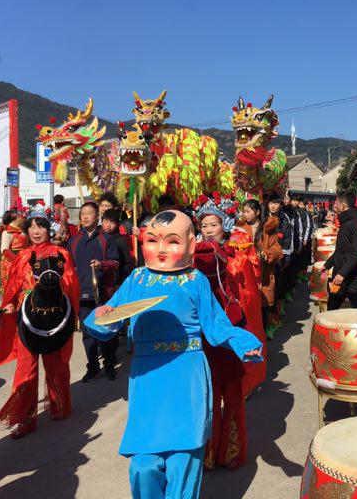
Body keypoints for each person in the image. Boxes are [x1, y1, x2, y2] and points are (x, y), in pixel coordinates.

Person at [85, 210, 262, 499]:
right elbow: (108, 322)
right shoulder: (136, 279)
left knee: (183, 462)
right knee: (143, 467)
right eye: (153, 240)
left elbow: (216, 326)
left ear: (191, 244)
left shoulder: (195, 280)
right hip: (147, 379)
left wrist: (244, 344)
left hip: (187, 376)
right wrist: (101, 317)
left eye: (172, 241)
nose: (161, 249)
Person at [0, 202, 80, 439]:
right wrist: (9, 303)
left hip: (52, 318)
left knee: (55, 366)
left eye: (40, 226)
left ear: (48, 229)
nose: (35, 231)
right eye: (31, 226)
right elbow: (13, 284)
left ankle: (59, 404)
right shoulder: (23, 256)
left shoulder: (60, 254)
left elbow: (70, 284)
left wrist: (69, 314)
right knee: (26, 370)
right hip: (26, 319)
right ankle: (25, 417)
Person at [193, 195, 263, 470]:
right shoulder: (193, 254)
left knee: (232, 395)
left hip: (230, 328)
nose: (209, 230)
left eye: (214, 224)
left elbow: (247, 290)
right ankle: (209, 453)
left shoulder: (237, 254)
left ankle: (232, 451)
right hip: (204, 333)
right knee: (208, 396)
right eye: (204, 225)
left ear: (224, 225)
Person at [67, 201, 120, 382]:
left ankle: (109, 365)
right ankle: (93, 366)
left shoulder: (106, 239)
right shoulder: (73, 242)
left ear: (97, 216)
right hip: (82, 294)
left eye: (89, 213)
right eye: (82, 214)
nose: (85, 217)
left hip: (103, 293)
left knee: (105, 331)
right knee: (88, 334)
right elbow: (67, 268)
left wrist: (101, 264)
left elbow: (115, 263)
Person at [237, 199, 283, 342]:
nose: (245, 214)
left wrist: (267, 255)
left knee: (262, 312)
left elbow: (277, 249)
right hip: (245, 274)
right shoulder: (240, 228)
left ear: (257, 212)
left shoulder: (268, 228)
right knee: (246, 310)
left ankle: (261, 339)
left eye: (248, 211)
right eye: (244, 211)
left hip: (263, 274)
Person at [324, 192, 357, 310]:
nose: (335, 205)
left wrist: (342, 273)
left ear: (343, 206)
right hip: (340, 275)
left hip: (353, 277)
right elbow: (340, 251)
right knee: (331, 309)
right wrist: (327, 265)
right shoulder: (345, 223)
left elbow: (356, 254)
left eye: (337, 203)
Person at [266, 193, 293, 338]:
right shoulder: (262, 220)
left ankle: (273, 323)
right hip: (263, 263)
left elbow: (288, 245)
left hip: (278, 264)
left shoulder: (285, 222)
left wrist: (283, 260)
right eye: (271, 203)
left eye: (276, 203)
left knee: (276, 293)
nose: (273, 206)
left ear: (280, 205)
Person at [0, 201, 28, 291]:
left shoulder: (22, 231)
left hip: (25, 263)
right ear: (19, 217)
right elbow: (4, 250)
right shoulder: (7, 232)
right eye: (24, 217)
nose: (25, 219)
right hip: (12, 265)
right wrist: (18, 261)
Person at [101, 208, 135, 285]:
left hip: (115, 280)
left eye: (112, 223)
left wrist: (119, 281)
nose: (108, 225)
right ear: (102, 221)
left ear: (117, 224)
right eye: (106, 222)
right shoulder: (97, 237)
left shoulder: (121, 240)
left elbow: (127, 263)